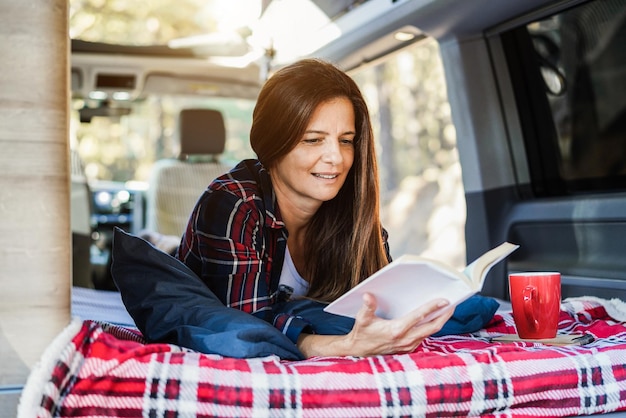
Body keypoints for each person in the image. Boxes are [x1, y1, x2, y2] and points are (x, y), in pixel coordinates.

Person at [173, 58, 453, 358]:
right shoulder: (232, 201)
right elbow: (244, 329)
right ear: (272, 144)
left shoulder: (351, 207)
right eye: (313, 140)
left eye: (346, 141)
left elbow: (383, 306)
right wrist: (343, 346)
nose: (336, 157)